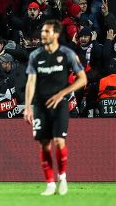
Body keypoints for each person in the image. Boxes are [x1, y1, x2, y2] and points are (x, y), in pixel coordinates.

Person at [23, 20, 87, 196]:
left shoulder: (67, 54)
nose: (43, 34)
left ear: (56, 34)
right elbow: (31, 81)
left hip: (60, 105)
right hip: (40, 106)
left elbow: (83, 79)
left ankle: (63, 177)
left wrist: (62, 93)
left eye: (47, 31)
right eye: (43, 31)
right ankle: (50, 184)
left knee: (59, 141)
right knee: (44, 145)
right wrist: (28, 106)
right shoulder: (35, 55)